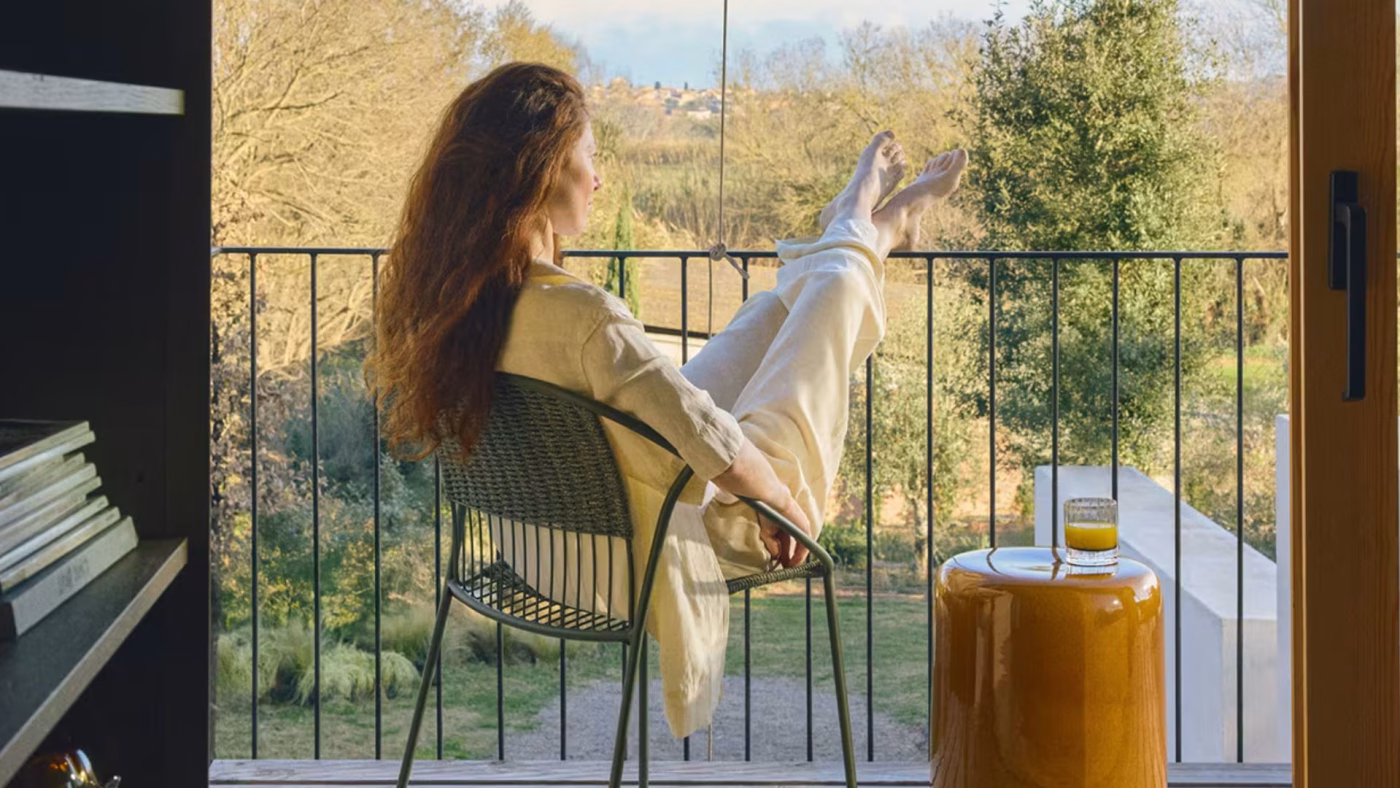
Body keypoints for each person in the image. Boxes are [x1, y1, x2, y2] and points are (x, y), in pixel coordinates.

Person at [368, 61, 966, 738]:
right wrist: (781, 504)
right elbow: (716, 447)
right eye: (590, 158)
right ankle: (867, 230)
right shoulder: (584, 318)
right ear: (541, 171)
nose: (598, 180)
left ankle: (852, 233)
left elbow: (686, 418)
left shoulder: (457, 307)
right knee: (823, 321)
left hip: (542, 553)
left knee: (770, 316)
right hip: (645, 558)